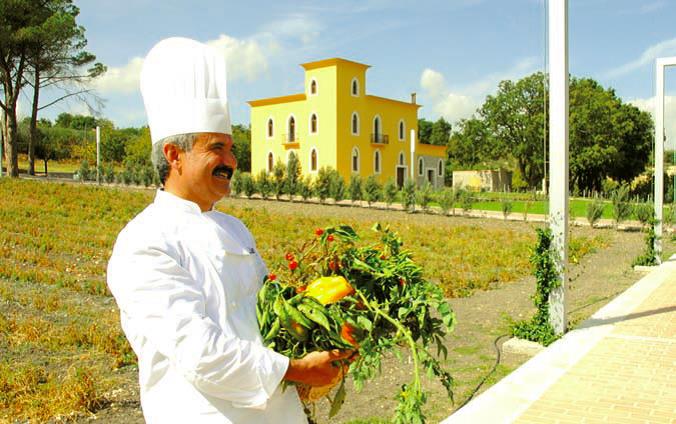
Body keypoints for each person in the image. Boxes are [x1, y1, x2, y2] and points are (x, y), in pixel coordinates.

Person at [107, 37, 350, 423]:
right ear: (174, 155)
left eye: (232, 150)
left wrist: (324, 326)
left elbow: (266, 317)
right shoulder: (144, 243)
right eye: (217, 148)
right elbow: (197, 351)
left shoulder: (235, 229)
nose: (231, 161)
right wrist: (295, 369)